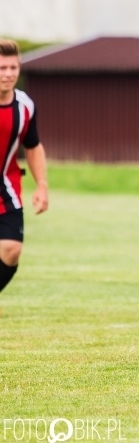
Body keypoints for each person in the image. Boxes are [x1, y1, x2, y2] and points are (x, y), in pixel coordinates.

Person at [0, 39, 49, 301]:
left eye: (13, 67)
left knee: (11, 250)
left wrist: (42, 185)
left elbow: (33, 146)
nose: (8, 74)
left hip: (6, 187)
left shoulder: (25, 105)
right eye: (2, 68)